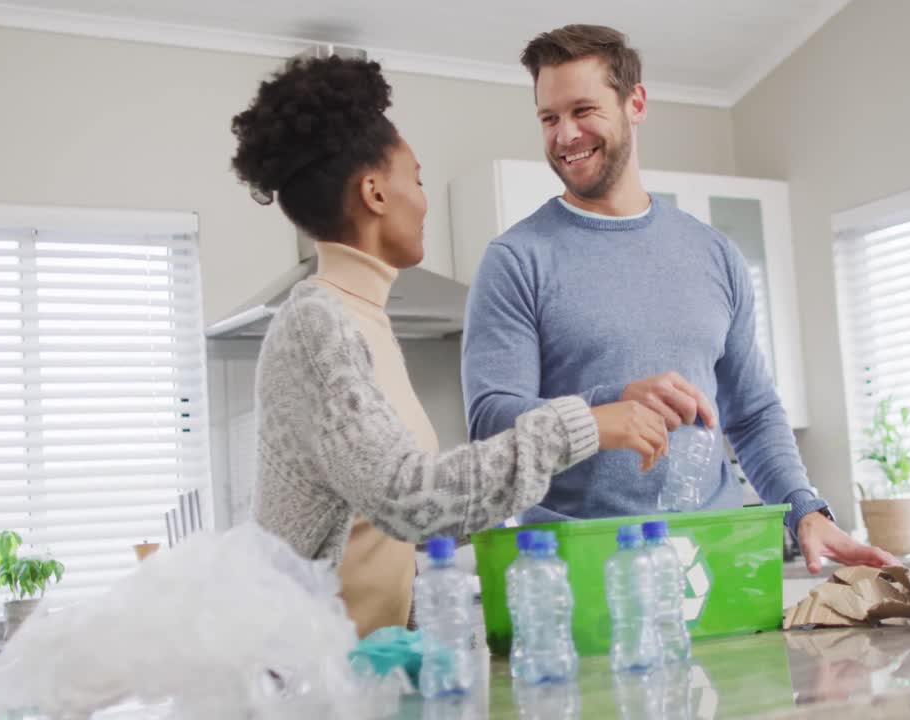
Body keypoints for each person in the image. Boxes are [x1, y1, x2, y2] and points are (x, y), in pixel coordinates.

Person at [229, 54, 669, 636]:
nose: (423, 197)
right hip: (309, 682)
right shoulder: (317, 323)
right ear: (375, 193)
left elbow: (406, 521)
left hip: (365, 671)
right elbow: (411, 500)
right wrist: (584, 424)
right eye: (414, 177)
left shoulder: (361, 319)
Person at [461, 25, 896, 574]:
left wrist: (804, 510)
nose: (565, 135)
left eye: (584, 111)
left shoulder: (713, 253)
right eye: (549, 118)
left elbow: (754, 413)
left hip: (717, 561)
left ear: (635, 102)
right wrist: (610, 402)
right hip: (578, 570)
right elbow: (491, 424)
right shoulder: (517, 259)